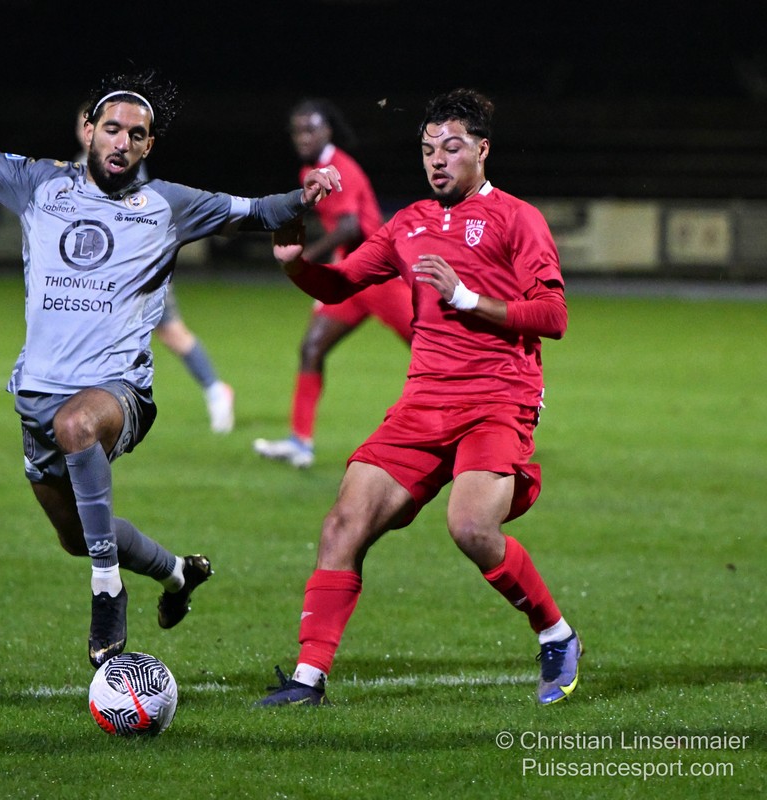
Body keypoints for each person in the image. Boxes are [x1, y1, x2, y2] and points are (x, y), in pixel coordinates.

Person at [0, 70, 338, 669]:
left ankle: (108, 593)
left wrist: (305, 196)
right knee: (77, 536)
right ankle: (177, 573)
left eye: (136, 135)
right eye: (112, 129)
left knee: (78, 427)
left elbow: (259, 210)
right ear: (89, 131)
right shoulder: (40, 182)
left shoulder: (169, 204)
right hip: (37, 394)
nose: (122, 142)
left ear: (148, 145)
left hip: (118, 391)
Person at [258, 88, 581, 707]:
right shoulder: (408, 223)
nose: (437, 159)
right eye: (429, 148)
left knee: (471, 527)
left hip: (497, 398)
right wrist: (297, 266)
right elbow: (343, 283)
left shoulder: (518, 218)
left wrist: (466, 299)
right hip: (422, 401)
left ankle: (555, 633)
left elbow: (553, 315)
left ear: (482, 151)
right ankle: (307, 680)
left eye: (452, 147)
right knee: (343, 524)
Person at [253, 99, 413, 469]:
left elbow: (350, 226)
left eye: (310, 129)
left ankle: (489, 413)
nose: (302, 137)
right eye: (297, 131)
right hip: (353, 276)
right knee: (312, 347)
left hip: (380, 276)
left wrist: (305, 259)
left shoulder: (342, 169)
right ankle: (300, 443)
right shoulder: (311, 170)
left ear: (327, 130)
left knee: (433, 349)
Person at [72, 105, 236, 435]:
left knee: (170, 332)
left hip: (141, 269)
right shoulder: (83, 164)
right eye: (83, 124)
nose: (85, 130)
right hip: (110, 274)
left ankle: (215, 390)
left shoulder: (121, 163)